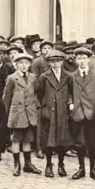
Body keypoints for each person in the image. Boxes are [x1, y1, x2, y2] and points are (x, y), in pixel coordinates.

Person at [2, 53, 42, 177]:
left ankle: (28, 164)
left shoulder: (33, 77)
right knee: (16, 139)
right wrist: (11, 112)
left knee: (27, 139)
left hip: (30, 113)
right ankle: (17, 164)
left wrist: (35, 106)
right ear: (16, 64)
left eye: (26, 63)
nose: (24, 66)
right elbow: (6, 97)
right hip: (17, 113)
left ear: (29, 64)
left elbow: (36, 93)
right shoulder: (12, 78)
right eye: (21, 63)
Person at [68, 47, 95, 182]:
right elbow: (69, 92)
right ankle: (81, 168)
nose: (82, 61)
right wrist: (71, 103)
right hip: (77, 112)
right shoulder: (72, 76)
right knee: (79, 142)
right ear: (76, 60)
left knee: (92, 142)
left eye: (84, 58)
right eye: (79, 58)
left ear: (89, 59)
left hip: (92, 113)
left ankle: (93, 169)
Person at [36, 49, 73, 178]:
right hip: (50, 111)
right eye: (52, 61)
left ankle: (61, 164)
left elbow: (70, 93)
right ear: (49, 63)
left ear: (62, 62)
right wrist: (45, 107)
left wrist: (69, 104)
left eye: (58, 61)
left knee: (62, 139)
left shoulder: (68, 76)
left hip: (62, 111)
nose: (55, 64)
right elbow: (39, 93)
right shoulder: (44, 77)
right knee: (49, 140)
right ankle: (48, 165)